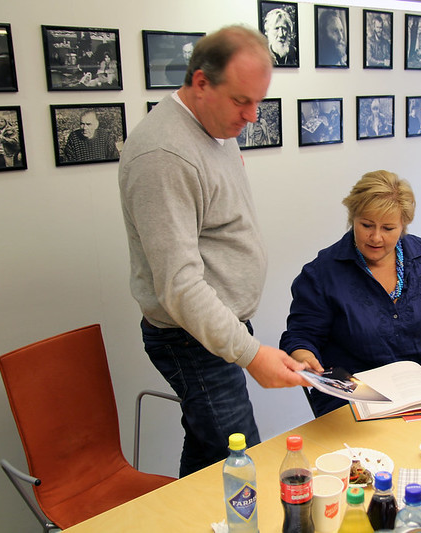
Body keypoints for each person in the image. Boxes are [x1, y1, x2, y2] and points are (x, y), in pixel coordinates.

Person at [118, 26, 308, 477]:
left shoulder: (214, 125)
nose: (253, 115)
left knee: (209, 459)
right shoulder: (165, 154)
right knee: (245, 466)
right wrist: (251, 354)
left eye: (258, 100)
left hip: (213, 329)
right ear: (201, 82)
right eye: (242, 100)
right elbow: (179, 285)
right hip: (188, 338)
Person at [280, 170, 421, 416]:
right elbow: (300, 336)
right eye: (366, 225)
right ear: (352, 218)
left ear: (404, 225)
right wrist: (304, 356)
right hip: (356, 403)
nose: (376, 237)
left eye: (388, 228)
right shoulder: (323, 273)